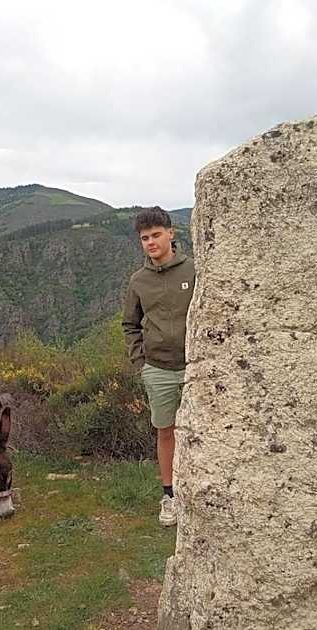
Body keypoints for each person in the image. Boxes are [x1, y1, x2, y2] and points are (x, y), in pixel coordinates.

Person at [122, 207, 195, 527]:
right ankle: (170, 496)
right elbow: (130, 324)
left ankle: (204, 490)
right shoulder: (139, 280)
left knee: (202, 431)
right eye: (144, 238)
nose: (150, 242)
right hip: (159, 369)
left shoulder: (194, 270)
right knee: (166, 431)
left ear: (170, 233)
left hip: (197, 367)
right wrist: (141, 363)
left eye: (155, 235)